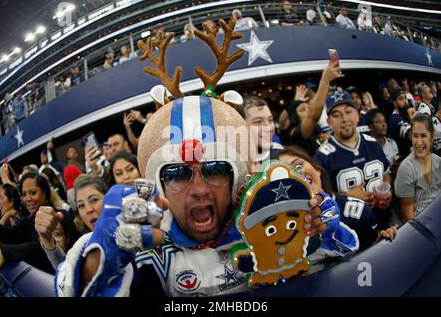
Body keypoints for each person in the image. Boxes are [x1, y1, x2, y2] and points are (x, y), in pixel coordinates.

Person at [56, 94, 345, 297]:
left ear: (236, 178)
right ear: (160, 187)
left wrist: (318, 233)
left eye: (216, 169)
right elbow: (76, 283)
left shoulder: (268, 223)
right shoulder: (152, 255)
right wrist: (97, 264)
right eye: (177, 174)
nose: (199, 190)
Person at [278, 147, 398, 250]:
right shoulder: (282, 234)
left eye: (299, 165)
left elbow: (374, 252)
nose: (298, 175)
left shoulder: (359, 210)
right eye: (286, 175)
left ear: (317, 169)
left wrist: (385, 239)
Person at [313, 91, 392, 212]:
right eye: (336, 115)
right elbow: (316, 199)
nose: (344, 119)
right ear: (329, 122)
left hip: (384, 222)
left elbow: (386, 173)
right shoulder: (322, 157)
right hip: (349, 227)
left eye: (348, 112)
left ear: (357, 115)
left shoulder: (373, 144)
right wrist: (346, 197)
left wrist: (387, 191)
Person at [0, 173, 71, 275]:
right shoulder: (29, 219)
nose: (27, 199)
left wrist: (9, 251)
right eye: (24, 194)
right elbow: (8, 235)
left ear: (45, 193)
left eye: (33, 193)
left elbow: (45, 248)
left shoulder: (60, 216)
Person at [35, 176, 107, 269]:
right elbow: (67, 274)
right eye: (81, 205)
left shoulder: (129, 227)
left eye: (94, 200)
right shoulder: (84, 246)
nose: (88, 210)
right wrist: (47, 239)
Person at [279, 62, 341, 156]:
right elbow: (282, 121)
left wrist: (330, 139)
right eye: (302, 110)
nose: (308, 111)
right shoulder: (294, 135)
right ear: (294, 116)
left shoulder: (316, 130)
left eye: (308, 108)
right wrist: (325, 80)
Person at [395, 114, 441, 223]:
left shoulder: (439, 162)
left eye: (423, 136)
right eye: (415, 136)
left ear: (432, 137)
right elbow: (408, 218)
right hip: (421, 228)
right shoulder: (406, 169)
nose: (419, 142)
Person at [240, 96, 283, 171]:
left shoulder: (280, 153)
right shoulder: (231, 162)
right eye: (258, 121)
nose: (268, 127)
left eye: (270, 120)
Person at [387, 88, 415, 158]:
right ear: (394, 103)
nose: (405, 102)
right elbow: (413, 137)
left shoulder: (405, 115)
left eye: (405, 98)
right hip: (405, 161)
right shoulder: (395, 119)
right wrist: (414, 119)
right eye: (401, 99)